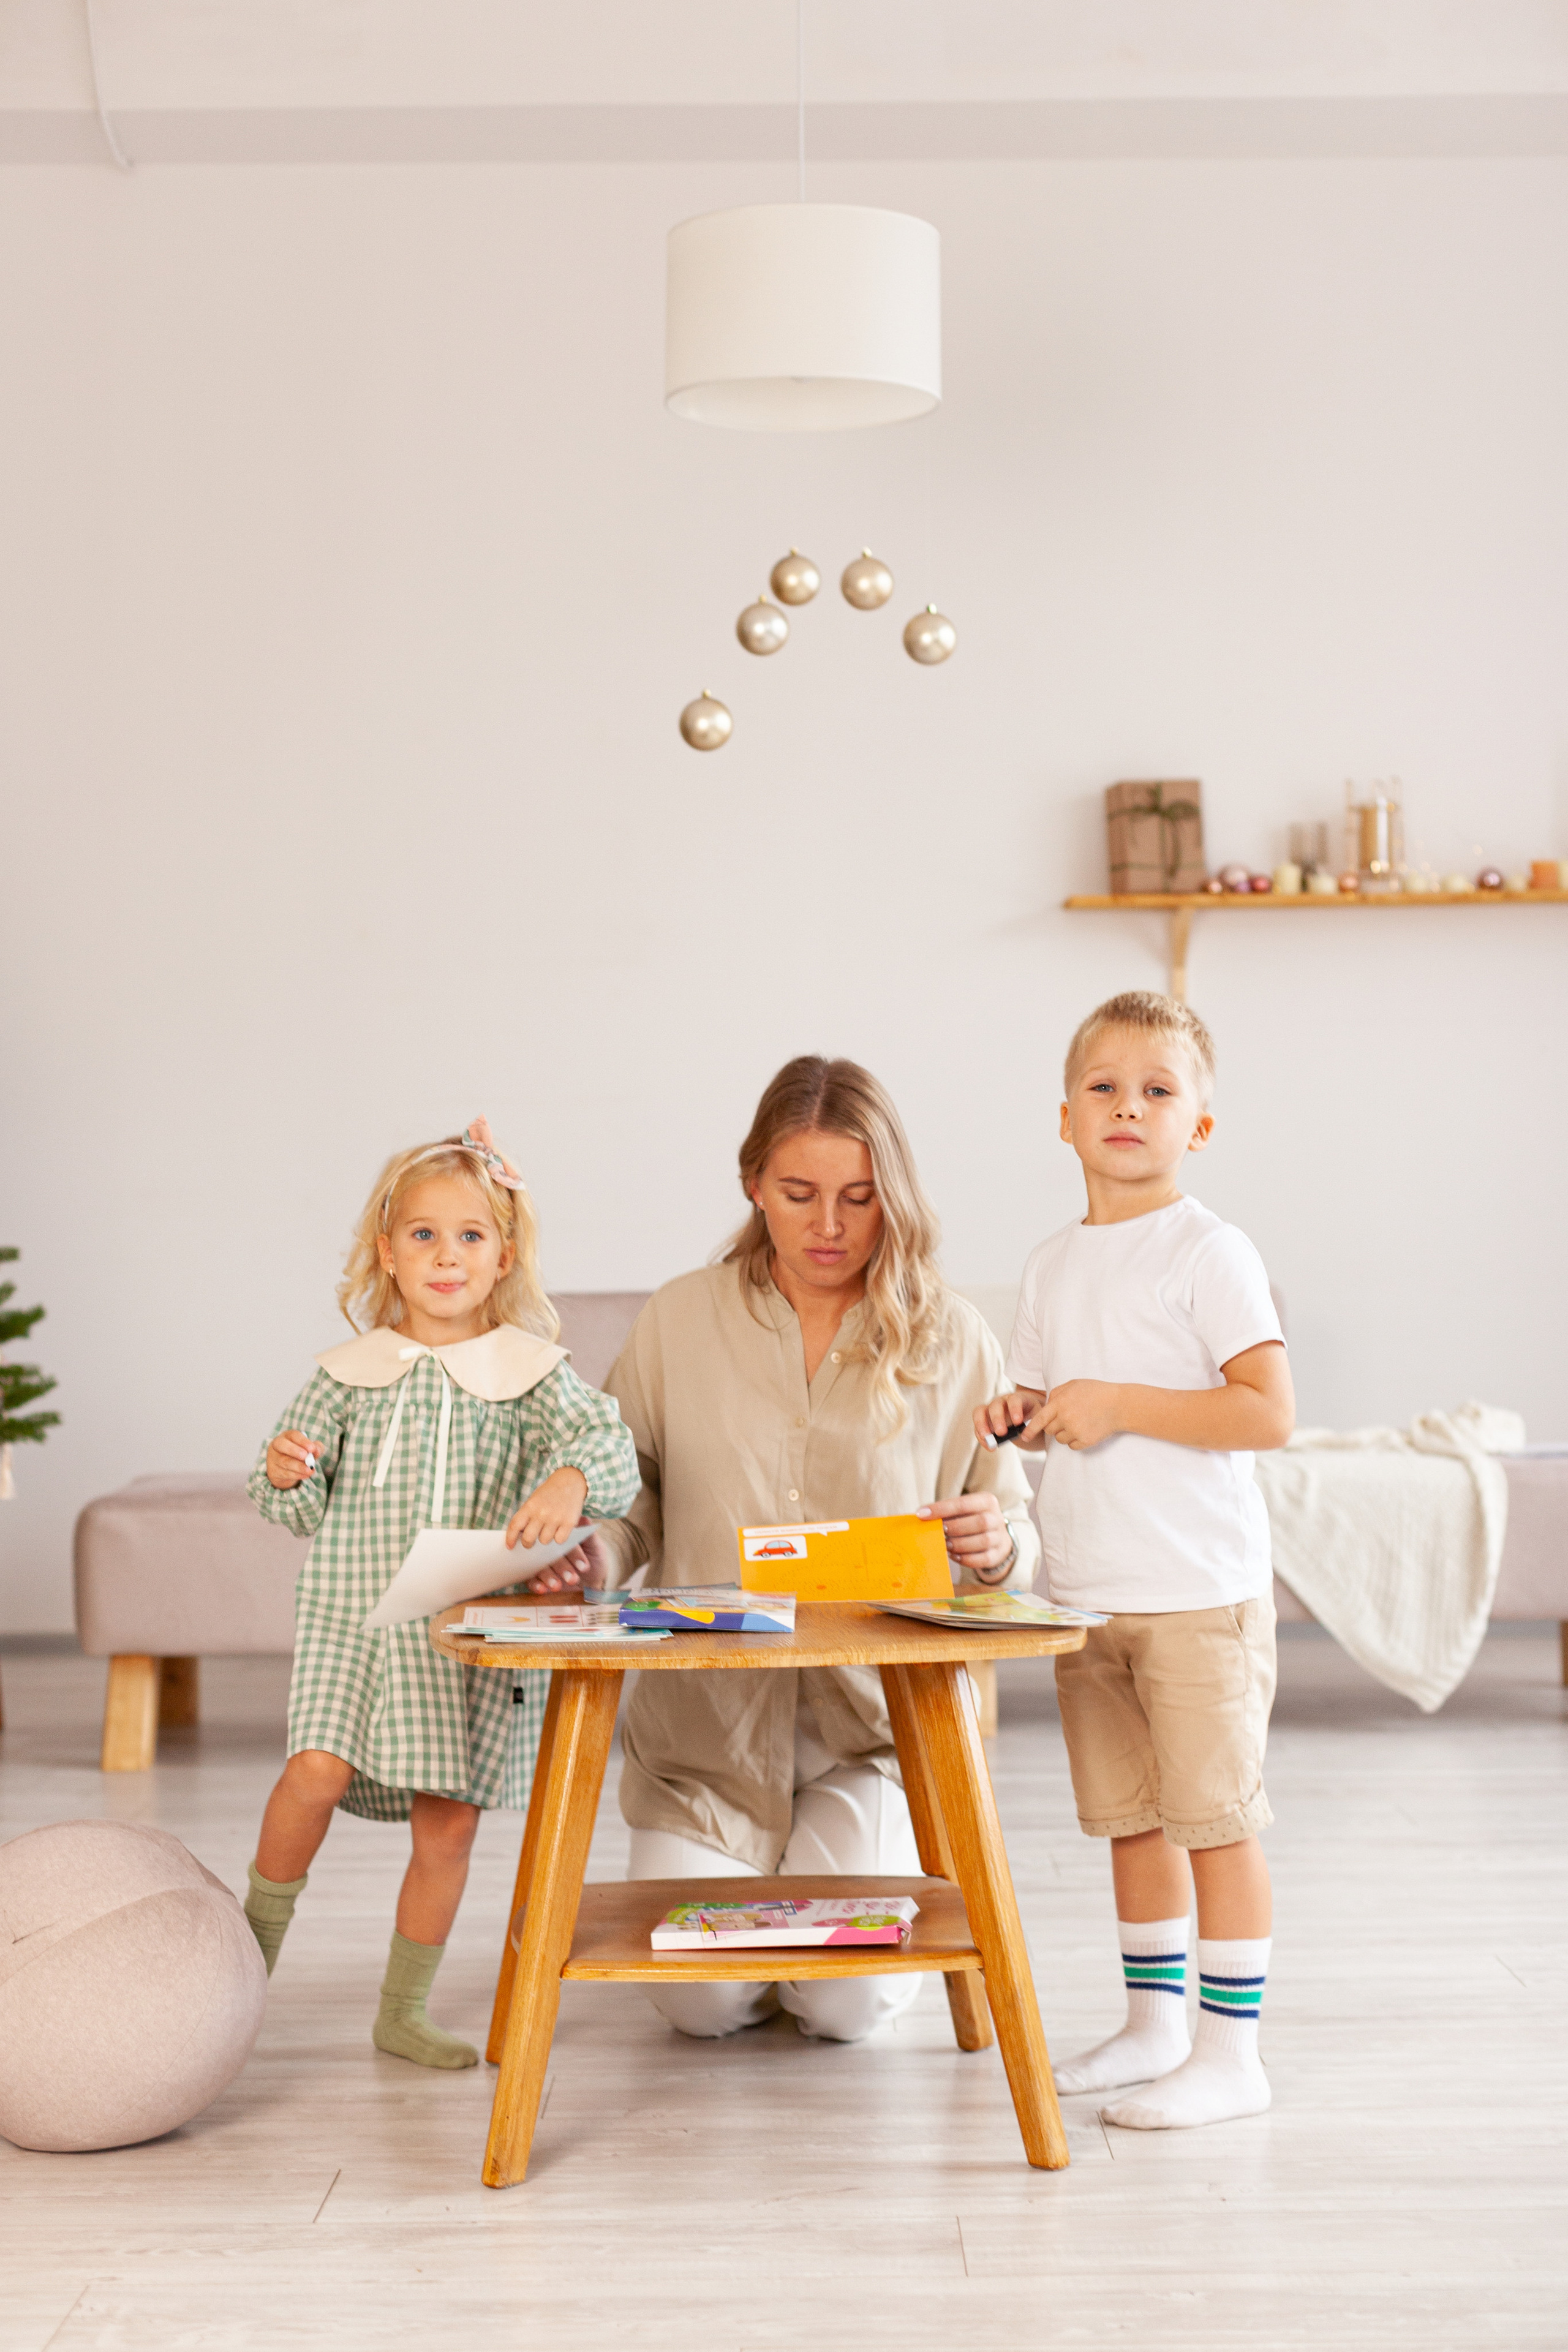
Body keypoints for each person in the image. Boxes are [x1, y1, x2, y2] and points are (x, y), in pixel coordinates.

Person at [526, 1055, 1040, 2044]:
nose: (830, 1227)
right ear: (753, 1183)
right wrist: (588, 1558)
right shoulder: (680, 1318)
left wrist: (996, 1544)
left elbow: (1011, 1528)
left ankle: (812, 1925)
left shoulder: (954, 1336)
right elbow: (627, 1496)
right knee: (703, 2004)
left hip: (877, 1737)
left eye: (859, 1198)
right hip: (707, 1743)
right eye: (799, 1195)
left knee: (842, 2006)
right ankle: (764, 1918)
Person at [241, 1118, 638, 2067]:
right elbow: (282, 1501)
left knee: (447, 1821)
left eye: (470, 1236)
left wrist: (568, 1484)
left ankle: (402, 2010)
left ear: (504, 1255)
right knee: (314, 1773)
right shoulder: (345, 1378)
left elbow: (611, 1451)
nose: (446, 1256)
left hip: (456, 1630)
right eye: (423, 1234)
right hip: (350, 1620)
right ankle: (241, 1971)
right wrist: (286, 1473)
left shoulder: (533, 1376)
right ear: (388, 1250)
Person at [976, 992, 1294, 2130]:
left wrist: (1118, 1405)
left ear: (1198, 1126)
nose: (1129, 1107)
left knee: (1217, 1819)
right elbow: (1047, 1395)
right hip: (1088, 1593)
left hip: (1198, 1594)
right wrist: (1020, 1408)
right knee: (1133, 1821)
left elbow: (1265, 1412)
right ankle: (1156, 2026)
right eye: (1105, 1088)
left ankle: (1232, 2051)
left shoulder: (1211, 1250)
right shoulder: (1052, 1264)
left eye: (1159, 1090)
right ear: (1064, 1118)